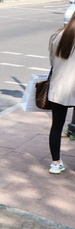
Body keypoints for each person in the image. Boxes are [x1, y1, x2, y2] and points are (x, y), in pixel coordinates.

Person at [47, 13, 75, 174]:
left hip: (59, 87)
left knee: (56, 126)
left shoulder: (57, 35)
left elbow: (52, 62)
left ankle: (56, 163)